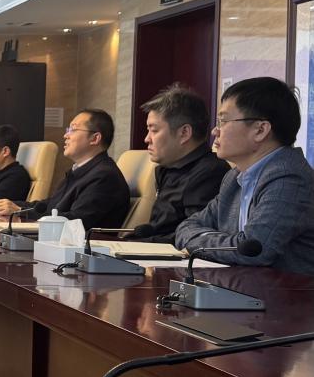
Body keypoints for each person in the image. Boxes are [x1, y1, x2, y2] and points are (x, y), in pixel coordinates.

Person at [175, 77, 314, 274]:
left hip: (288, 291)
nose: (215, 131)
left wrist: (198, 241)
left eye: (223, 121)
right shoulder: (234, 178)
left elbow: (253, 250)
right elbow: (187, 226)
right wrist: (213, 240)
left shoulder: (289, 178)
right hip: (240, 286)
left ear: (260, 130)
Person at [0, 109, 130, 230]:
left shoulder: (104, 176)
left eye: (73, 130)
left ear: (95, 139)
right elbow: (49, 205)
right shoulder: (81, 170)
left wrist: (21, 211)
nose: (66, 136)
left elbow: (75, 221)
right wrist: (13, 206)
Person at [126, 84, 229, 243]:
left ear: (184, 133)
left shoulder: (210, 173)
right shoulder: (165, 168)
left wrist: (136, 245)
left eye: (154, 130)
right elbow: (158, 228)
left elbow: (194, 236)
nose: (147, 139)